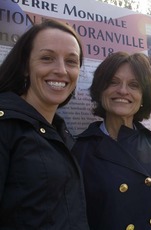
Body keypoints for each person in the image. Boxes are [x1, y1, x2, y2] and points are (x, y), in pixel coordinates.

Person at [0, 19, 89, 229]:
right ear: (24, 67)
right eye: (47, 58)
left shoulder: (59, 133)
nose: (61, 70)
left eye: (71, 61)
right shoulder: (5, 125)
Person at [72, 51, 151, 230]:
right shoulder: (79, 151)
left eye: (134, 85)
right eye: (113, 82)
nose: (123, 90)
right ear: (100, 89)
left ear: (144, 97)